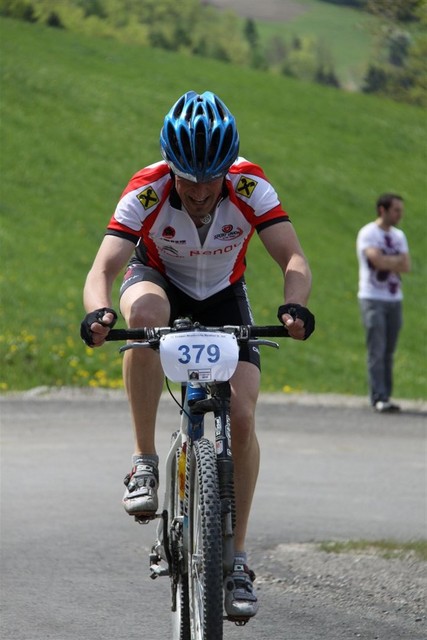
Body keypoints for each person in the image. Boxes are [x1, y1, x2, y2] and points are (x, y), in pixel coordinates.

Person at [80, 90, 315, 618]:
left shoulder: (250, 185)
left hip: (224, 295)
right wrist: (99, 313)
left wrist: (295, 304)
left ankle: (237, 560)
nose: (201, 191)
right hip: (158, 281)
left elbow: (293, 257)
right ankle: (144, 463)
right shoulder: (147, 189)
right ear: (171, 166)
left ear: (228, 169)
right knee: (146, 316)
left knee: (242, 415)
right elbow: (103, 269)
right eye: (189, 178)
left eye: (212, 179)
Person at [356, 193, 411, 413]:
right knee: (376, 349)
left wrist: (387, 261)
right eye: (396, 210)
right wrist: (393, 261)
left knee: (389, 350)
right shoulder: (368, 233)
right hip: (373, 298)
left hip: (394, 299)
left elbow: (406, 265)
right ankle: (377, 396)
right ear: (383, 210)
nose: (400, 214)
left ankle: (386, 395)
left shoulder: (399, 235)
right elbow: (376, 261)